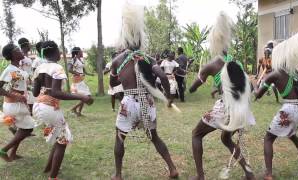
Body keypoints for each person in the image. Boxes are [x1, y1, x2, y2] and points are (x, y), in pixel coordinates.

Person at [109, 3, 178, 180]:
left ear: (125, 40)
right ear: (140, 40)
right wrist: (169, 97)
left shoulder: (117, 60)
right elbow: (162, 76)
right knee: (154, 137)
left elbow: (113, 82)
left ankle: (117, 175)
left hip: (129, 102)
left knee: (119, 138)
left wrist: (121, 91)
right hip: (147, 102)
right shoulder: (148, 58)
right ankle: (172, 168)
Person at [189, 12, 255, 180]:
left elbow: (193, 88)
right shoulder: (237, 62)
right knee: (226, 139)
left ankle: (200, 176)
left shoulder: (212, 64)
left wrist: (195, 83)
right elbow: (250, 87)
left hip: (227, 107)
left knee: (196, 134)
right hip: (241, 108)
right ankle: (248, 173)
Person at [253, 30, 298, 180]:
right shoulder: (296, 72)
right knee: (292, 135)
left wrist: (255, 85)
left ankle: (268, 174)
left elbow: (258, 95)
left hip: (289, 109)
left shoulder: (274, 74)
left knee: (268, 138)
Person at [33, 41, 93, 179]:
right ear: (55, 52)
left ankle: (48, 168)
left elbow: (36, 92)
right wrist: (81, 97)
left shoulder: (39, 68)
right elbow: (56, 92)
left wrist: (45, 87)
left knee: (58, 136)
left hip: (38, 107)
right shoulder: (57, 68)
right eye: (59, 50)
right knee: (63, 139)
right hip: (49, 108)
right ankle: (52, 177)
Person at [0, 43, 36, 162]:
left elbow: (16, 85)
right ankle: (4, 150)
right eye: (17, 49)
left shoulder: (16, 69)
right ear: (13, 54)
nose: (20, 50)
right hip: (14, 105)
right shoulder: (9, 69)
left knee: (22, 128)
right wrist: (15, 96)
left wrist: (28, 90)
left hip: (17, 104)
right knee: (28, 128)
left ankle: (13, 154)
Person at [68, 47, 94, 116]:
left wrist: (90, 74)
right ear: (77, 53)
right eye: (81, 52)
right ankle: (74, 108)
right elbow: (69, 69)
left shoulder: (81, 60)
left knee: (85, 97)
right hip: (77, 81)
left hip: (81, 80)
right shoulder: (74, 59)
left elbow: (83, 70)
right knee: (87, 97)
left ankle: (79, 112)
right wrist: (76, 73)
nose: (82, 53)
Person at [18, 37, 35, 114]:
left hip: (30, 83)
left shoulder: (27, 57)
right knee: (28, 103)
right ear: (25, 45)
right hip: (25, 83)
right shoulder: (21, 58)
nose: (30, 47)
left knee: (31, 102)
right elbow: (19, 71)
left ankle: (30, 118)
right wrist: (26, 81)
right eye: (29, 45)